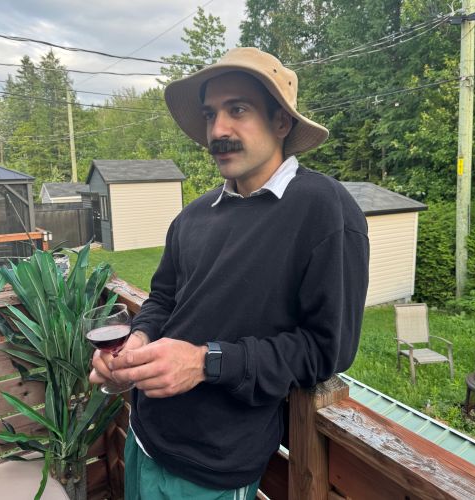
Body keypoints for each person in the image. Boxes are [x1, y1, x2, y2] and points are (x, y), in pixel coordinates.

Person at [90, 47, 369, 500]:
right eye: (210, 114)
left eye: (237, 109)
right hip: (144, 434)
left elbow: (325, 350)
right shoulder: (194, 216)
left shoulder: (324, 211)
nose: (218, 130)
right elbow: (163, 299)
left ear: (281, 122)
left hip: (213, 465)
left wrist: (206, 363)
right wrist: (137, 342)